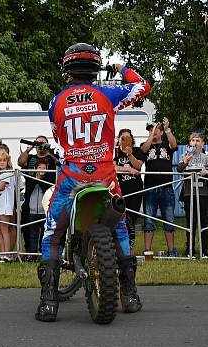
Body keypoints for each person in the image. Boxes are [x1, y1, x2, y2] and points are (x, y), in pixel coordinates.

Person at [37, 43, 149, 322]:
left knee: (52, 233)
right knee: (121, 228)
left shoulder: (56, 102)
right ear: (95, 68)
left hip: (72, 175)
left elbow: (59, 140)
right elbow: (142, 86)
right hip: (105, 175)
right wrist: (120, 67)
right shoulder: (107, 94)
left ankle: (49, 301)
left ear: (68, 69)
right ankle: (130, 294)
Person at [140, 117, 179, 256]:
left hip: (166, 188)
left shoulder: (166, 145)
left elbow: (174, 145)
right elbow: (144, 149)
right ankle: (147, 250)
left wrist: (167, 129)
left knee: (169, 220)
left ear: (161, 132)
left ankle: (171, 250)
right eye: (150, 130)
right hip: (150, 188)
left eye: (155, 129)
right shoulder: (145, 144)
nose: (152, 131)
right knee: (148, 220)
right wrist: (151, 136)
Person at [18, 135, 57, 258]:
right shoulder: (31, 158)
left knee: (46, 227)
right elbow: (20, 162)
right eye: (38, 143)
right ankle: (30, 251)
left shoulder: (51, 158)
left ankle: (43, 250)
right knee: (28, 226)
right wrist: (29, 149)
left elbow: (58, 162)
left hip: (48, 195)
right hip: (31, 196)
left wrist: (49, 151)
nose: (40, 145)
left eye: (43, 143)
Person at [176, 132, 208, 256]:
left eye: (198, 140)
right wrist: (185, 162)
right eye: (193, 140)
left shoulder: (206, 157)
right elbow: (179, 170)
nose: (195, 143)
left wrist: (206, 172)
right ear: (190, 143)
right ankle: (189, 249)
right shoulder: (185, 155)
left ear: (202, 143)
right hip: (189, 193)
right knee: (190, 222)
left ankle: (205, 250)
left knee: (203, 222)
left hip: (203, 193)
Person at [115, 128, 145, 252]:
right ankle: (120, 247)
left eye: (129, 137)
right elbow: (112, 166)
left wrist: (130, 154)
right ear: (119, 139)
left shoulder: (137, 150)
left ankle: (129, 248)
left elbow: (138, 165)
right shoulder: (115, 152)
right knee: (121, 220)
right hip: (120, 191)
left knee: (131, 220)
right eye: (123, 138)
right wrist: (128, 169)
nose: (126, 140)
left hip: (136, 191)